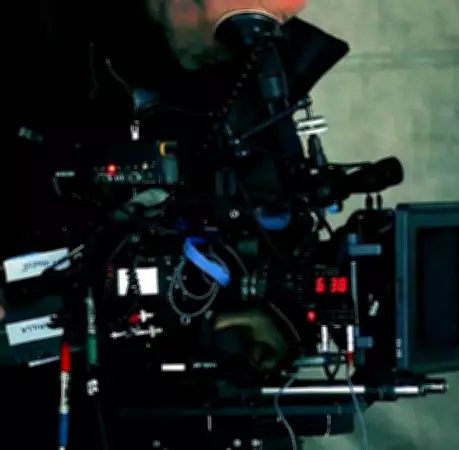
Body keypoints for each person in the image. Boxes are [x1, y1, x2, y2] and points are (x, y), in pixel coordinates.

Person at [1, 0, 309, 448]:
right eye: (245, 17)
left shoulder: (249, 90)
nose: (255, 41)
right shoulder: (39, 33)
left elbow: (271, 228)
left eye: (280, 21)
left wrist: (263, 313)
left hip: (129, 382)